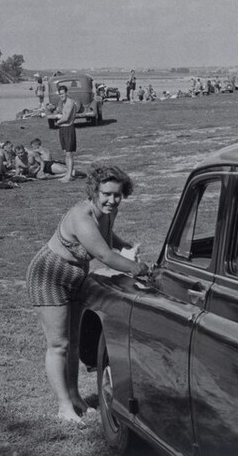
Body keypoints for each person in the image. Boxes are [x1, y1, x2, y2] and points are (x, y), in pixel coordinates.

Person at [27, 166, 150, 423]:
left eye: (117, 195)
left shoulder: (108, 211)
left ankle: (75, 398)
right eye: (106, 194)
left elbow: (107, 238)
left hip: (75, 277)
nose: (112, 200)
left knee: (73, 341)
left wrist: (125, 245)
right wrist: (137, 268)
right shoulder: (81, 216)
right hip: (49, 276)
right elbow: (105, 256)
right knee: (58, 344)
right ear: (94, 191)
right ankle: (63, 408)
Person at [52, 84, 77, 182]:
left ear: (67, 93)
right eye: (60, 94)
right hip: (62, 129)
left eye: (63, 94)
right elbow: (58, 112)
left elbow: (66, 118)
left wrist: (57, 122)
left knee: (69, 153)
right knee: (65, 152)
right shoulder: (61, 102)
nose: (61, 95)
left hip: (68, 128)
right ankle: (68, 174)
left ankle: (69, 175)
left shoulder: (70, 102)